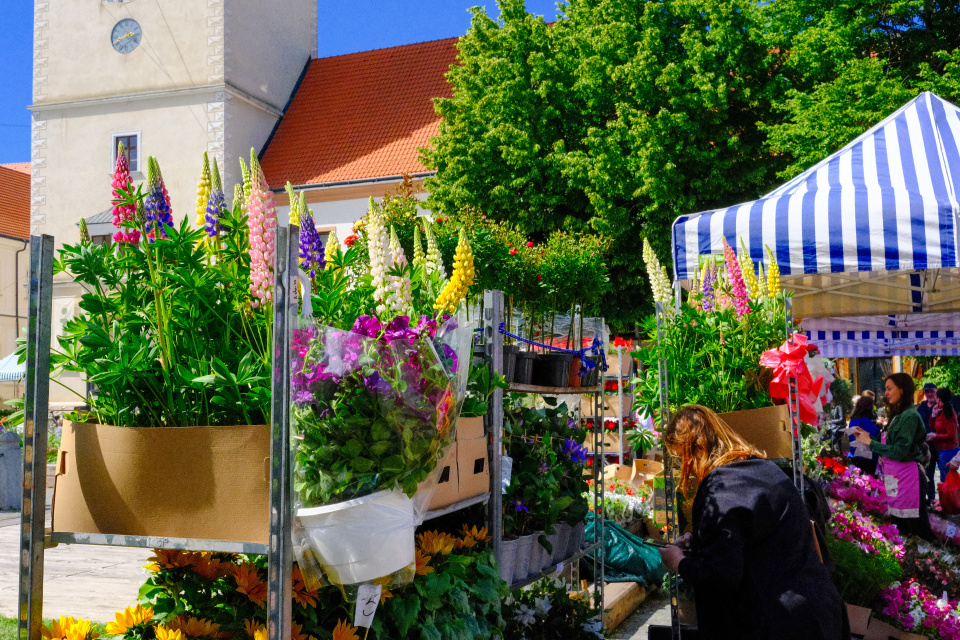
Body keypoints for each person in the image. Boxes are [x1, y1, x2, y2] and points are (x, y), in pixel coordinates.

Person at [657, 405, 848, 640]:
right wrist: (700, 541)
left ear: (694, 452)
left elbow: (722, 575)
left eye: (681, 460)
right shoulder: (764, 469)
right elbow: (758, 536)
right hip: (815, 611)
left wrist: (679, 563)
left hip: (779, 621)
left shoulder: (720, 488)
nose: (688, 471)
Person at [855, 373, 934, 540]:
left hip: (909, 478)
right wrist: (869, 438)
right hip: (896, 477)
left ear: (902, 390)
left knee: (917, 528)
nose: (886, 393)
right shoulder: (898, 415)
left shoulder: (910, 416)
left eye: (889, 389)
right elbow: (890, 443)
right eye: (886, 389)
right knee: (900, 526)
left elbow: (900, 451)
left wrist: (871, 443)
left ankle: (932, 562)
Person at [928, 388, 960, 486]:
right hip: (941, 449)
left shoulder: (948, 412)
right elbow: (932, 426)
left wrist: (936, 436)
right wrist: (933, 415)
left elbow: (951, 434)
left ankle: (950, 501)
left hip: (948, 450)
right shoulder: (940, 410)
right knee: (944, 478)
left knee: (947, 481)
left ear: (939, 398)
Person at [917, 382, 939, 504]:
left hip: (940, 445)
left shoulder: (942, 406)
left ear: (936, 391)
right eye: (927, 391)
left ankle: (943, 502)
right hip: (926, 446)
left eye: (931, 391)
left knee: (943, 475)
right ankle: (930, 499)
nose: (929, 394)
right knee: (928, 473)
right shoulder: (922, 406)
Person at [848, 396, 880, 476]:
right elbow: (874, 434)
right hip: (866, 457)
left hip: (854, 454)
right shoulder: (865, 421)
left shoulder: (853, 420)